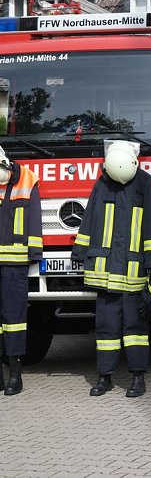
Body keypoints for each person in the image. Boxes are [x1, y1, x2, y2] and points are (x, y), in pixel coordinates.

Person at [71, 141, 151, 398]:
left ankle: (138, 377)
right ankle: (105, 378)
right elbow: (89, 218)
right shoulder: (102, 183)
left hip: (134, 273)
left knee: (135, 329)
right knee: (106, 329)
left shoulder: (145, 183)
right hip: (105, 276)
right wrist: (79, 252)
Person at [0, 147, 42, 396]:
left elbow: (34, 219)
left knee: (14, 319)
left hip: (15, 265)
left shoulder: (27, 179)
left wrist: (34, 255)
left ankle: (15, 375)